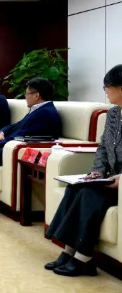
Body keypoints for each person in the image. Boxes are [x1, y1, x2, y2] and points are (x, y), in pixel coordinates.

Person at [44, 65, 122, 277]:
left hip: (120, 183)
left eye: (107, 86)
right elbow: (103, 147)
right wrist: (98, 171)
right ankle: (69, 251)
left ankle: (84, 258)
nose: (105, 91)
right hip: (109, 178)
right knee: (75, 188)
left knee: (89, 194)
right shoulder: (114, 113)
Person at [0, 78, 62, 216]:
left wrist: (2, 143)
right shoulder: (38, 109)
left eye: (27, 94)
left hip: (17, 151)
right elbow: (16, 125)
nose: (25, 97)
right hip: (11, 148)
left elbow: (25, 135)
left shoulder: (45, 113)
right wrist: (1, 132)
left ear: (36, 95)